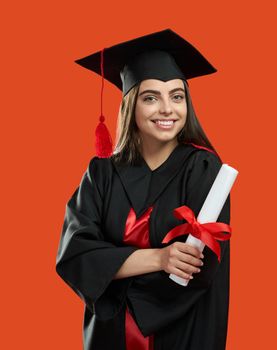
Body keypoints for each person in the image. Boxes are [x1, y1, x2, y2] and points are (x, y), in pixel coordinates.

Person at [55, 28, 232, 350]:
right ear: (130, 105)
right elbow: (76, 254)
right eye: (151, 97)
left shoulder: (203, 168)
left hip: (182, 331)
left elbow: (199, 268)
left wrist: (115, 268)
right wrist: (159, 258)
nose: (167, 109)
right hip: (109, 334)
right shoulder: (101, 173)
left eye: (177, 96)